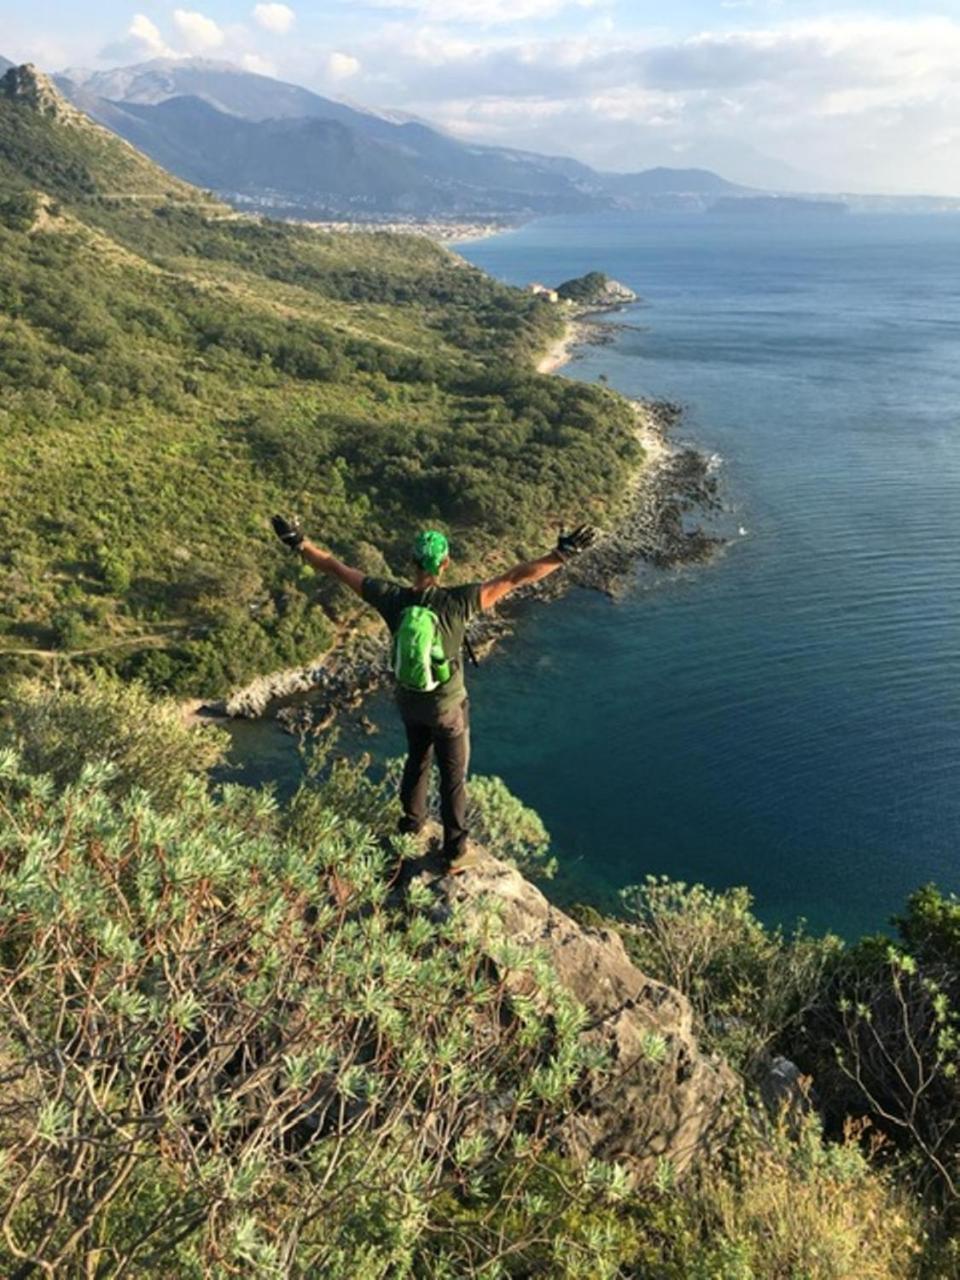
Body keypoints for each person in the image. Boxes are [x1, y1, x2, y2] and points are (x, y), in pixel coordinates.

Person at [271, 517, 597, 872]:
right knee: (453, 776)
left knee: (417, 761)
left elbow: (336, 568)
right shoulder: (459, 602)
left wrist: (298, 542)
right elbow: (514, 577)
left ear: (411, 562)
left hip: (409, 702)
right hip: (448, 707)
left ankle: (410, 827)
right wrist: (561, 554)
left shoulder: (391, 598)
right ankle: (455, 851)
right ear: (445, 564)